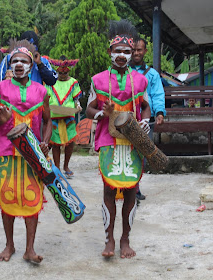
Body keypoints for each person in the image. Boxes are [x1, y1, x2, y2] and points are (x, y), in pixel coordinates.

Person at [86, 19, 151, 259]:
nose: (122, 55)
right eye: (118, 51)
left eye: (127, 51)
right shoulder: (98, 80)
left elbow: (144, 106)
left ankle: (125, 239)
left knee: (132, 188)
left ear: (133, 53)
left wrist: (145, 120)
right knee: (109, 189)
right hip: (107, 139)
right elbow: (88, 109)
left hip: (133, 140)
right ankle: (109, 239)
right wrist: (101, 113)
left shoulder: (141, 80)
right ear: (109, 52)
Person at [0, 39, 52, 263]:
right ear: (9, 64)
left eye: (23, 61)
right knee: (8, 196)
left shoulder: (42, 91)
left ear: (31, 66)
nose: (18, 65)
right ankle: (9, 245)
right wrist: (1, 119)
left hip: (32, 153)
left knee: (32, 197)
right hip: (6, 150)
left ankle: (30, 249)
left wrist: (45, 142)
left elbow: (47, 121)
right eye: (14, 61)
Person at [130, 38, 166, 201]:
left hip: (145, 119)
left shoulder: (152, 74)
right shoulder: (122, 72)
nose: (136, 53)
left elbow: (157, 94)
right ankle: (125, 187)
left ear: (145, 51)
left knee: (141, 153)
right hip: (125, 118)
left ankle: (135, 188)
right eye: (134, 49)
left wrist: (159, 112)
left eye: (140, 50)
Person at [45, 55, 82, 178]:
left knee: (70, 142)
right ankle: (57, 167)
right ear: (57, 71)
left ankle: (66, 166)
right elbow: (46, 98)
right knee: (55, 143)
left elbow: (76, 98)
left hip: (69, 116)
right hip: (54, 115)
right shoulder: (50, 82)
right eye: (60, 73)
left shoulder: (74, 82)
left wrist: (78, 105)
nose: (63, 75)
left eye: (65, 73)